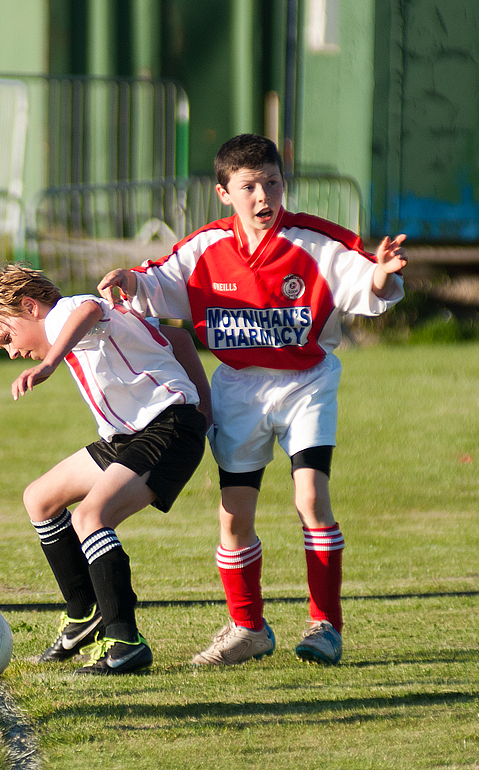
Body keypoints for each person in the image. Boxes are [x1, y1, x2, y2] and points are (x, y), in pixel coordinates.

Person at [98, 133, 406, 666]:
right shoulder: (203, 249)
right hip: (238, 385)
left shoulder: (315, 241)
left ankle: (325, 627)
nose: (263, 196)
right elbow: (152, 281)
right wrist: (127, 278)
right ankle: (248, 628)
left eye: (272, 183)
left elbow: (368, 282)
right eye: (249, 186)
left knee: (310, 498)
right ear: (224, 193)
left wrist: (380, 275)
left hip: (306, 381)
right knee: (234, 516)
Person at [0, 264, 210, 675]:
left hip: (166, 428)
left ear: (30, 307)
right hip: (130, 437)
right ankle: (84, 614)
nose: (11, 352)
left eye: (7, 338)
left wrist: (49, 364)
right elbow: (178, 338)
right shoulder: (82, 323)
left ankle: (125, 641)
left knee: (92, 517)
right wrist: (207, 410)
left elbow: (90, 308)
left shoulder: (65, 313)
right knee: (39, 498)